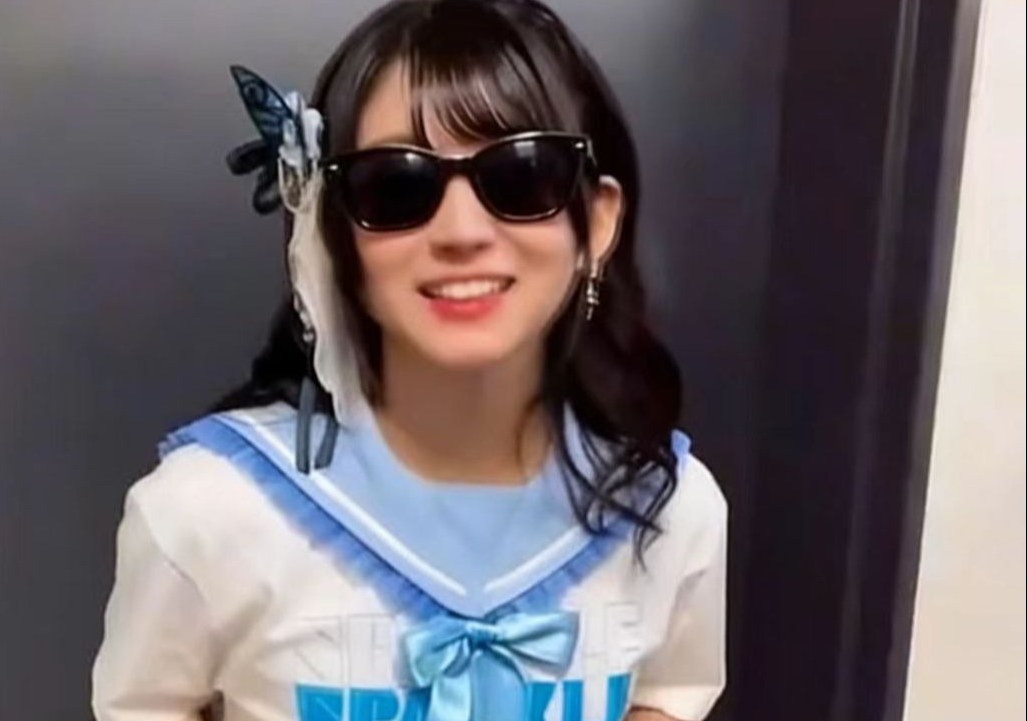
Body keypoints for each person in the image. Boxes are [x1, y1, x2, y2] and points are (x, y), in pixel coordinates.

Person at [91, 2, 726, 720]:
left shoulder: (671, 512)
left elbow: (670, 697)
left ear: (600, 221)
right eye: (397, 186)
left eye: (521, 176)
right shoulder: (203, 514)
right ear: (331, 231)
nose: (461, 232)